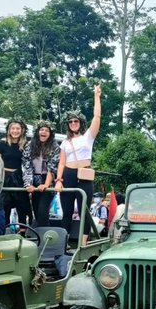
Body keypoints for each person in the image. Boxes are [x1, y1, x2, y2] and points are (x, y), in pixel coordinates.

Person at [57, 85, 102, 245]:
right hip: (68, 173)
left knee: (85, 211)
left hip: (84, 173)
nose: (73, 123)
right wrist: (58, 179)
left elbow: (96, 118)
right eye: (71, 121)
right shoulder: (65, 142)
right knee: (67, 211)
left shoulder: (88, 137)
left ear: (80, 122)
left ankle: (82, 244)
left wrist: (96, 96)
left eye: (76, 121)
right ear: (68, 124)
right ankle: (64, 243)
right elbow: (61, 162)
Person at [22, 120, 60, 228]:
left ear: (50, 134)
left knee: (43, 210)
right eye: (41, 129)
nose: (43, 132)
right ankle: (39, 236)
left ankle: (46, 237)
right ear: (37, 131)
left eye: (46, 130)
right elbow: (27, 165)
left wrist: (46, 185)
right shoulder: (30, 145)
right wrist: (28, 184)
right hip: (34, 178)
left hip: (48, 179)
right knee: (37, 211)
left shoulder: (54, 146)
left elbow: (52, 168)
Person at [0, 117, 33, 227]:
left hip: (18, 176)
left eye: (18, 128)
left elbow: (28, 163)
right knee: (4, 206)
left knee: (21, 206)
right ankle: (4, 231)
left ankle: (22, 232)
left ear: (22, 130)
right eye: (13, 128)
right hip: (4, 176)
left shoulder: (25, 144)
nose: (15, 131)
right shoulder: (2, 143)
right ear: (9, 129)